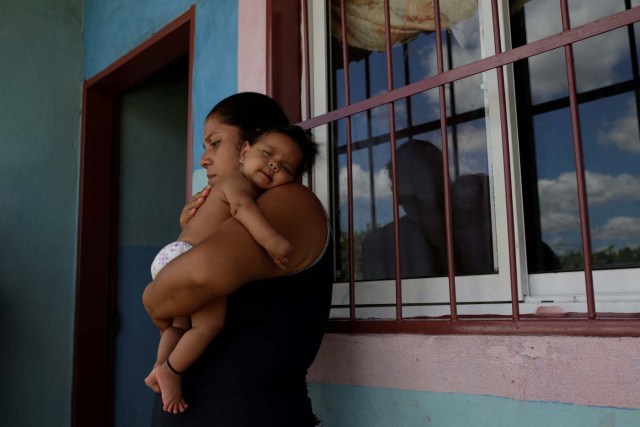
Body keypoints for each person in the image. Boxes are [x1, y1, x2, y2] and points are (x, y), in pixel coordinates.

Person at [142, 92, 333, 426]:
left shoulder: (292, 200)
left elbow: (199, 276)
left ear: (251, 141)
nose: (204, 159)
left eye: (215, 144)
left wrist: (152, 299)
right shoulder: (233, 206)